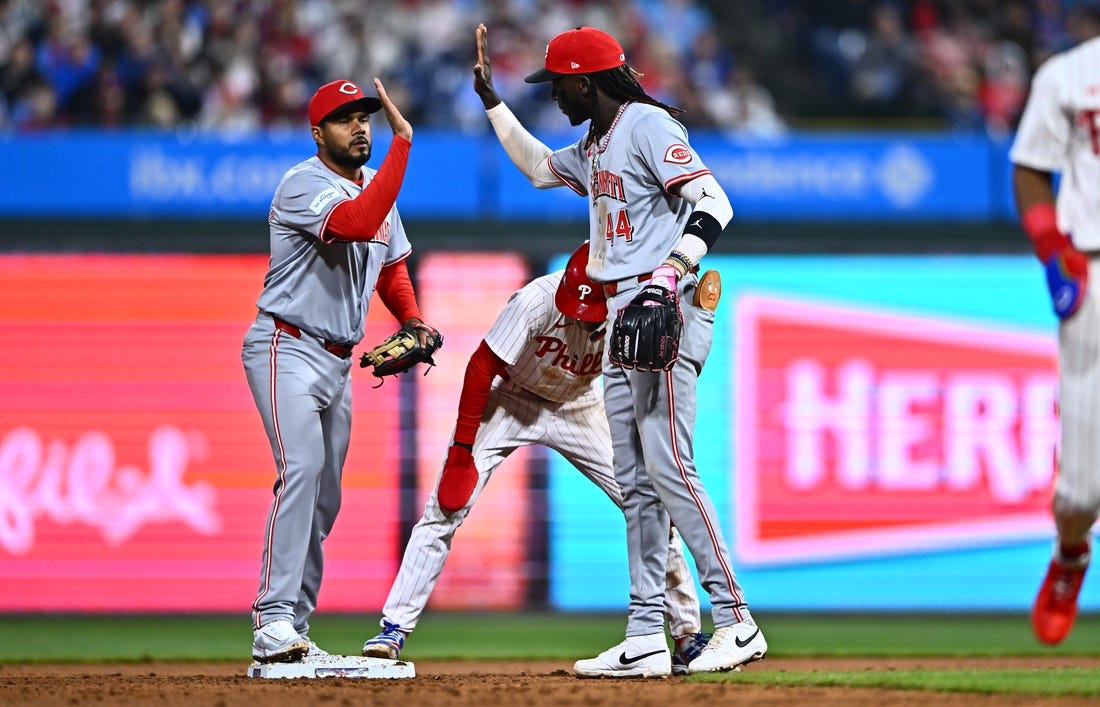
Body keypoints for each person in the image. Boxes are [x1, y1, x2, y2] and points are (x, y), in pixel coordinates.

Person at [472, 24, 766, 676]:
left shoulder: (648, 126)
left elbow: (715, 202)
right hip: (619, 320)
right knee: (636, 483)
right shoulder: (595, 142)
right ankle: (644, 636)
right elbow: (540, 169)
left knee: (670, 467)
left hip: (662, 312)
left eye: (558, 85)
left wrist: (669, 273)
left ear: (585, 79)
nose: (554, 97)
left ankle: (737, 618)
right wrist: (492, 102)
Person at [361, 242, 711, 677]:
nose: (578, 313)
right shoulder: (534, 301)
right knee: (444, 509)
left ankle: (686, 635)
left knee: (650, 505)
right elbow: (481, 368)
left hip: (579, 406)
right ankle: (394, 628)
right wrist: (461, 452)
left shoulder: (629, 308)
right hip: (510, 400)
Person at [243, 77, 441, 663]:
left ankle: (293, 633)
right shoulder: (304, 183)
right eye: (345, 118)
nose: (360, 127)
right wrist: (402, 145)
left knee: (324, 499)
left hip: (336, 361)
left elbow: (391, 267)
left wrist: (412, 319)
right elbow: (355, 223)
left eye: (366, 117)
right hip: (286, 345)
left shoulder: (377, 195)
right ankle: (271, 619)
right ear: (318, 132)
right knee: (301, 470)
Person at [1009, 23, 1100, 647]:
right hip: (1093, 269)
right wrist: (1051, 249)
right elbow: (1031, 168)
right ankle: (1071, 553)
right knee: (1082, 489)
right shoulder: (1069, 74)